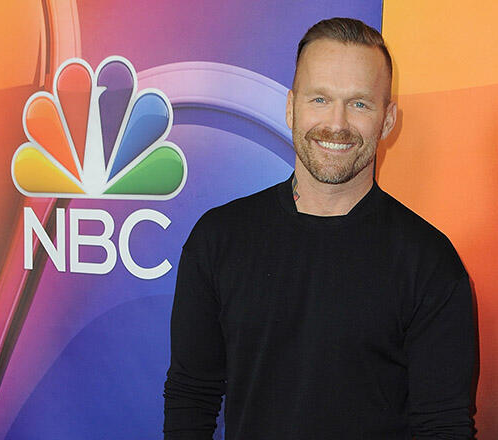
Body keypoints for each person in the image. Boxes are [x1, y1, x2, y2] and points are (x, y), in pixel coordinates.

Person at [164, 17, 478, 439]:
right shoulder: (218, 239)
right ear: (292, 107)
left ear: (387, 121)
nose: (337, 123)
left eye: (359, 103)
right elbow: (192, 396)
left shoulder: (430, 262)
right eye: (320, 99)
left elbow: (444, 426)